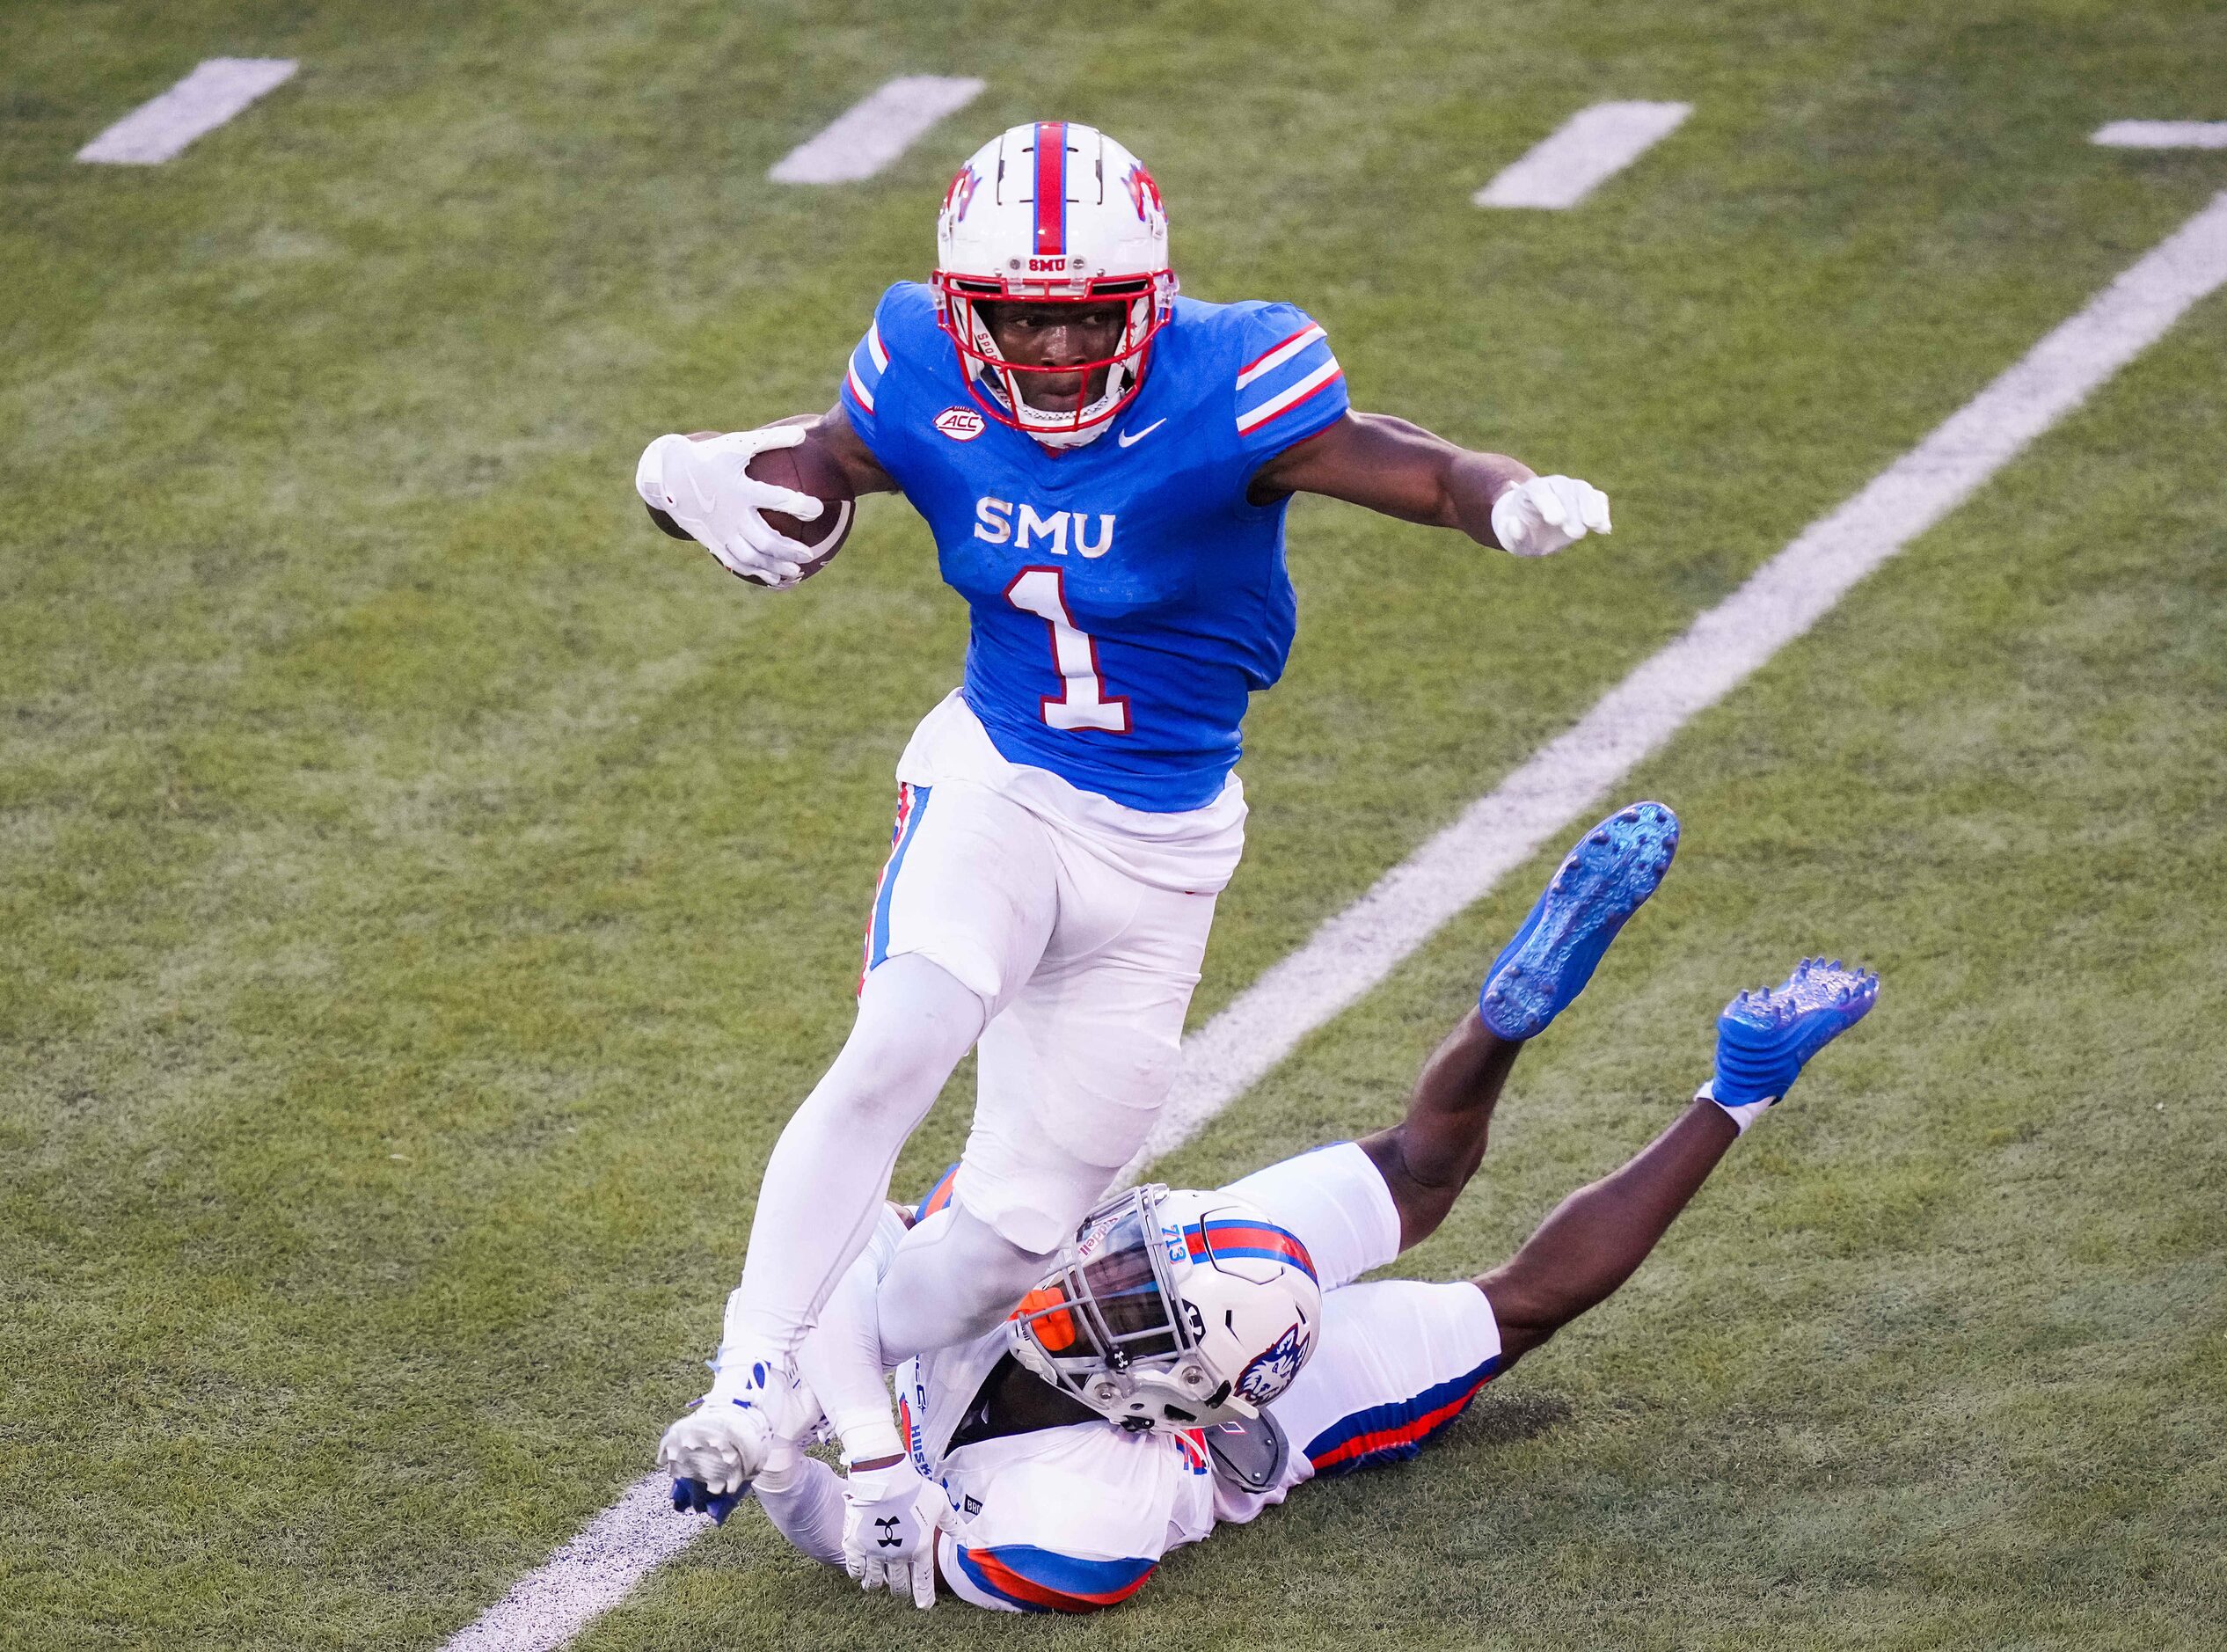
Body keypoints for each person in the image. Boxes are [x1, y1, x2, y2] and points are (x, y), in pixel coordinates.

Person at [639, 118, 1619, 1534]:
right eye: (1015, 323)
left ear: (1146, 305)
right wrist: (677, 477)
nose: (1045, 354)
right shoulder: (917, 357)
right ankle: (749, 1372)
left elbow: (1397, 454)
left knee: (1003, 1248)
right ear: (962, 308)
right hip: (996, 778)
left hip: (1162, 851)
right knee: (903, 1032)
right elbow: (810, 462)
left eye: (1079, 321)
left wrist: (1498, 499)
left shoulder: (1230, 378)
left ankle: (833, 1368)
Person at [667, 802, 1881, 1613]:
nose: (1085, 1273)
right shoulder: (1100, 1290)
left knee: (1516, 1305)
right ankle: (1528, 1025)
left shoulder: (1079, 1522)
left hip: (1273, 1400)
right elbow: (842, 1252)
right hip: (1230, 1271)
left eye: (1115, 1302)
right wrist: (816, 1432)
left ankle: (1736, 1085)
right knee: (1428, 1187)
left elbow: (872, 1536)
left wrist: (798, 1481)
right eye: (1113, 1264)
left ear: (1141, 1390)